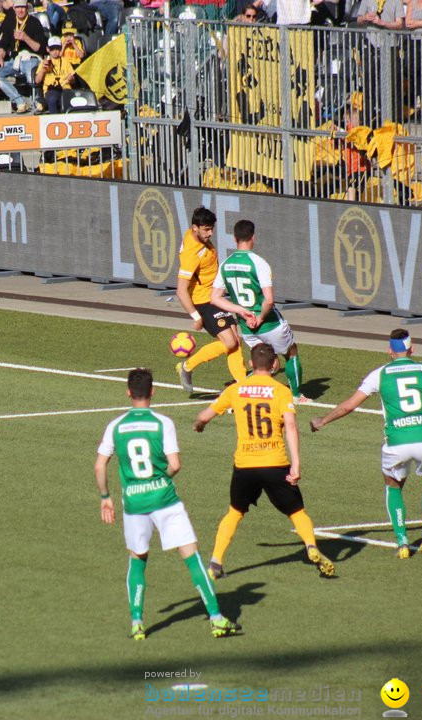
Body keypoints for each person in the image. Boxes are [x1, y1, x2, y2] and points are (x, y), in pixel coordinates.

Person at [95, 368, 241, 640]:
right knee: (192, 557)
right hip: (165, 500)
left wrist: (106, 498)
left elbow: (100, 465)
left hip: (134, 503)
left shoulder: (115, 426)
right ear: (152, 392)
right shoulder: (163, 423)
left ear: (128, 392)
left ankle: (137, 623)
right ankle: (217, 619)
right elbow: (175, 465)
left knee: (137, 561)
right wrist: (161, 478)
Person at [310, 329, 422, 557]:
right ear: (412, 349)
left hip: (396, 441)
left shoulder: (379, 374)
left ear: (389, 351)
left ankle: (402, 541)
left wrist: (322, 420)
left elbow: (349, 406)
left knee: (394, 486)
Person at [194, 344, 335, 580]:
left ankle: (215, 562)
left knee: (235, 512)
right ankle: (311, 546)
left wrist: (199, 424)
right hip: (275, 462)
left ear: (250, 364)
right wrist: (296, 463)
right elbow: (290, 425)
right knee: (297, 512)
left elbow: (205, 416)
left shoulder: (236, 389)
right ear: (275, 365)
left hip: (245, 464)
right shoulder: (281, 391)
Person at [210, 219, 308, 402]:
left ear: (234, 238)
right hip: (268, 323)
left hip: (246, 327)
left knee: (264, 365)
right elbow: (269, 300)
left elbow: (214, 298)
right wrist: (261, 317)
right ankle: (296, 396)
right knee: (291, 353)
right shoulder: (259, 263)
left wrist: (240, 310)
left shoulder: (226, 264)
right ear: (253, 237)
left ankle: (234, 395)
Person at [174, 207, 246, 394]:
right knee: (230, 342)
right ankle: (187, 367)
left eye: (211, 228)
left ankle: (242, 383)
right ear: (195, 228)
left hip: (214, 297)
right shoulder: (192, 254)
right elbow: (181, 290)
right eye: (206, 229)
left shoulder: (194, 235)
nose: (210, 233)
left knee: (235, 339)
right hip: (203, 302)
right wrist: (196, 316)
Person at [0, 0, 46, 114]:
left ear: (27, 8)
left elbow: (40, 48)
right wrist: (0, 58)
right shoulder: (10, 23)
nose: (20, 10)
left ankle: (38, 101)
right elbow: (3, 45)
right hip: (15, 60)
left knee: (30, 73)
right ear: (14, 9)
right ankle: (20, 101)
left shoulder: (34, 22)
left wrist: (25, 38)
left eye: (23, 7)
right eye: (18, 7)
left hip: (31, 57)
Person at [35, 35, 76, 114]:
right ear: (48, 49)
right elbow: (37, 81)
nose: (55, 51)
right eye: (52, 49)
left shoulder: (65, 61)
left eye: (57, 49)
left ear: (60, 49)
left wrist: (71, 79)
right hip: (51, 89)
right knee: (52, 99)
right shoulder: (44, 62)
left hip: (65, 89)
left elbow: (73, 80)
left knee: (70, 99)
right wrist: (43, 70)